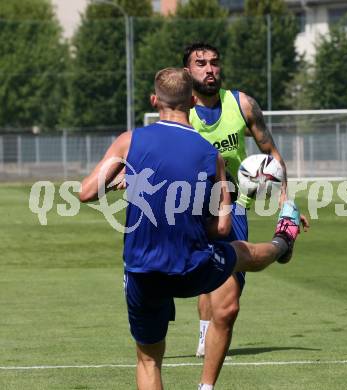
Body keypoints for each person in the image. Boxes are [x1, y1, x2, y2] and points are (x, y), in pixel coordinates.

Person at [79, 67, 304, 390]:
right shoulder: (211, 155)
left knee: (149, 360)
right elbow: (223, 226)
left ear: (154, 100)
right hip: (192, 265)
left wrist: (120, 179)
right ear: (192, 100)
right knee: (243, 253)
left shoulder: (130, 141)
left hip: (144, 269)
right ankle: (283, 240)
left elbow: (85, 193)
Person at [183, 42, 302, 366]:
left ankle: (213, 333)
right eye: (201, 63)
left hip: (233, 202)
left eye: (214, 63)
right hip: (192, 203)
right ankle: (206, 336)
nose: (210, 69)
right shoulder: (182, 111)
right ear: (188, 71)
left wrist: (284, 202)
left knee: (230, 275)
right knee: (201, 273)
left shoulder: (242, 103)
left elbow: (273, 154)